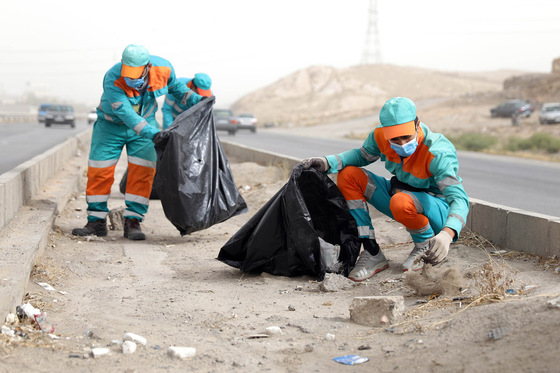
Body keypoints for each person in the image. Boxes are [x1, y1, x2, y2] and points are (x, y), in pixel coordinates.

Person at [302, 97, 469, 282]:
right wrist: (327, 162)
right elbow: (362, 155)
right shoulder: (380, 136)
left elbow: (459, 200)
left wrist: (447, 233)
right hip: (401, 195)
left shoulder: (438, 153)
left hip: (435, 209)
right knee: (348, 175)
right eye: (395, 139)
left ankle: (424, 245)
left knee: (401, 201)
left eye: (406, 137)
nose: (402, 144)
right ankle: (372, 251)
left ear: (417, 124)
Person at [72, 44, 204, 240]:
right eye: (128, 74)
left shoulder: (164, 69)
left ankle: (133, 221)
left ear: (148, 67)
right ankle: (96, 222)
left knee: (143, 172)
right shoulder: (112, 78)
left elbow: (176, 88)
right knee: (100, 171)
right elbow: (126, 113)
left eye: (135, 74)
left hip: (146, 122)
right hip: (110, 126)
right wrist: (153, 134)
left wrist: (198, 100)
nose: (131, 79)